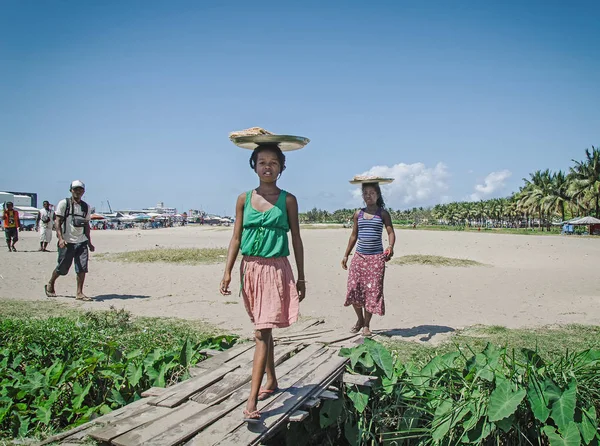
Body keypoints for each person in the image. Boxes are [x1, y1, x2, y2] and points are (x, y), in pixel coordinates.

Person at [219, 136, 307, 423]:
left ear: (282, 167)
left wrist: (302, 277)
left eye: (273, 162)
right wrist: (228, 271)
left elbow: (296, 238)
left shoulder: (288, 200)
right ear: (253, 166)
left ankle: (251, 399)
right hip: (250, 269)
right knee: (263, 327)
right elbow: (235, 237)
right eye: (262, 162)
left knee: (261, 332)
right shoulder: (244, 199)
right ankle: (272, 380)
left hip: (276, 269)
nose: (267, 167)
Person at [342, 181, 396, 337]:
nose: (369, 196)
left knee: (372, 292)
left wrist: (390, 247)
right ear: (362, 196)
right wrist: (346, 254)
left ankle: (366, 325)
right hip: (359, 257)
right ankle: (359, 320)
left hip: (376, 259)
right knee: (354, 289)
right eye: (365, 193)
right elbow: (354, 235)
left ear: (377, 195)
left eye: (372, 193)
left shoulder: (383, 214)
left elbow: (390, 233)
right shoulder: (358, 214)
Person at [44, 180, 95, 301]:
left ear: (84, 191)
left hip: (81, 241)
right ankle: (51, 283)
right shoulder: (64, 204)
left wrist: (89, 242)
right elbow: (58, 222)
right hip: (67, 241)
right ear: (71, 190)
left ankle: (79, 292)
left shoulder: (85, 207)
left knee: (82, 267)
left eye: (80, 189)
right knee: (62, 268)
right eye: (75, 189)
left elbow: (86, 225)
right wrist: (60, 239)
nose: (78, 191)